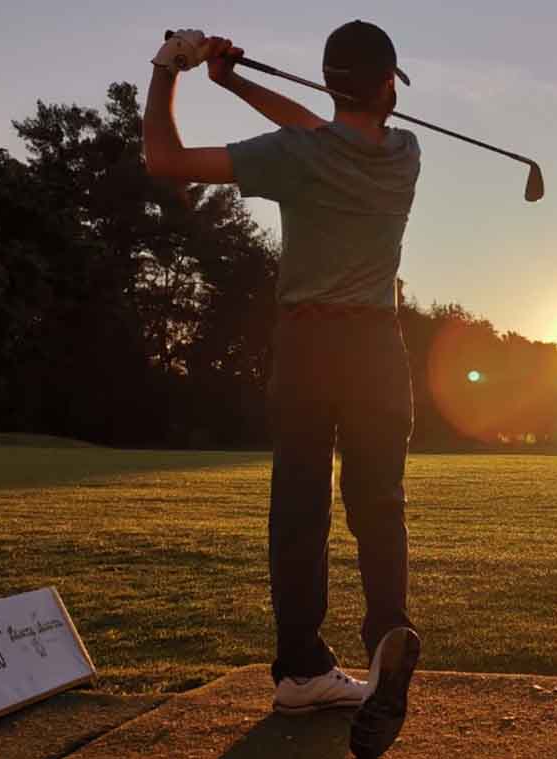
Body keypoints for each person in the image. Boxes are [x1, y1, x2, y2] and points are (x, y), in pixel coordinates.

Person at [143, 21, 422, 759]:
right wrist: (234, 83)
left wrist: (169, 71)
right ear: (390, 85)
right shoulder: (404, 153)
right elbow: (321, 130)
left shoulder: (296, 156)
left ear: (331, 84)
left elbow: (163, 158)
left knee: (299, 507)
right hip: (378, 345)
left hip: (306, 343)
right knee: (378, 503)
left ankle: (301, 668)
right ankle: (386, 629)